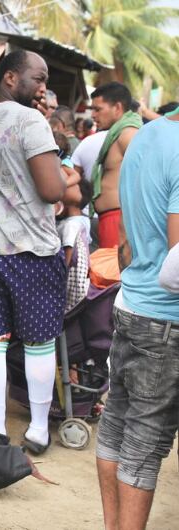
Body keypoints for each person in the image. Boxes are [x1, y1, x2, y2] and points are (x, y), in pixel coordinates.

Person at [0, 50, 67, 455]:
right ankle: (37, 429)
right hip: (32, 251)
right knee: (39, 343)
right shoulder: (31, 121)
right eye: (37, 78)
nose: (42, 87)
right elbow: (53, 191)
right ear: (9, 78)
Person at [96, 104, 179, 530]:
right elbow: (177, 266)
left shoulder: (144, 135)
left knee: (117, 424)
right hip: (165, 319)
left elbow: (127, 234)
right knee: (144, 442)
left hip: (131, 302)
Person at [89, 82, 142, 248]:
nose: (93, 115)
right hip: (111, 219)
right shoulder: (117, 134)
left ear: (117, 108)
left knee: (113, 273)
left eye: (98, 109)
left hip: (119, 221)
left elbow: (148, 174)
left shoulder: (128, 134)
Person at [56, 178, 93, 266]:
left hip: (71, 269)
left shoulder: (71, 224)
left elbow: (69, 247)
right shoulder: (84, 220)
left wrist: (64, 271)